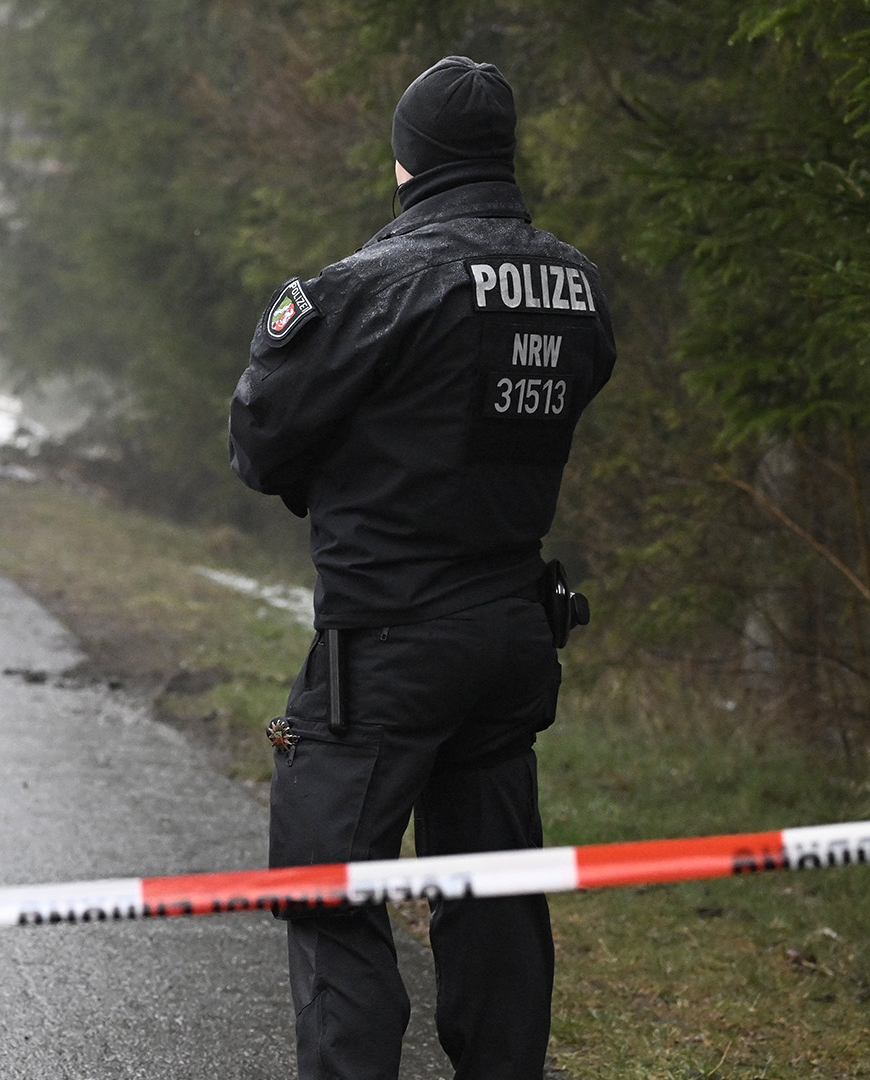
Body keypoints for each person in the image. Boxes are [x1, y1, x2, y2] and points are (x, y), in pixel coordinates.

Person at [228, 57, 616, 1080]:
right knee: (492, 897)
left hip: (389, 645)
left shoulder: (372, 288)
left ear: (407, 160)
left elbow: (261, 444)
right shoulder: (575, 285)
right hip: (511, 633)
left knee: (327, 885)